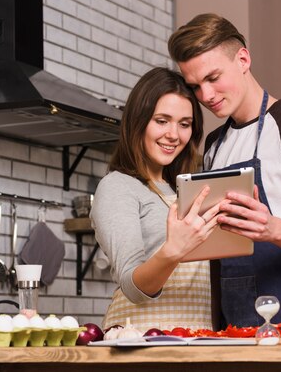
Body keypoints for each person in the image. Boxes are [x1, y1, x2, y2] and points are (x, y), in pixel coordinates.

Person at [168, 13, 281, 335]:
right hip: (234, 321)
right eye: (195, 86)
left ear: (243, 59)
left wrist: (270, 227)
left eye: (213, 78)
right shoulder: (214, 145)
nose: (206, 95)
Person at [91, 67, 224, 332]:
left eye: (184, 124)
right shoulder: (118, 186)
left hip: (198, 334)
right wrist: (173, 251)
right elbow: (132, 286)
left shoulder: (184, 191)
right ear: (138, 122)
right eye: (162, 121)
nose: (174, 134)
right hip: (143, 338)